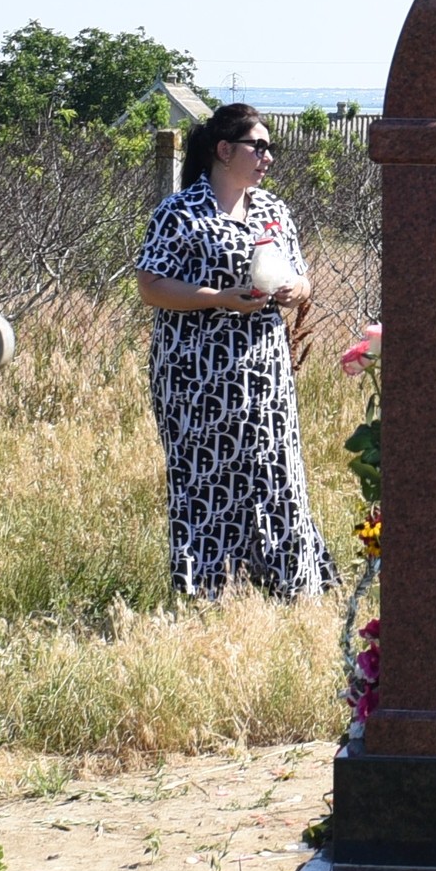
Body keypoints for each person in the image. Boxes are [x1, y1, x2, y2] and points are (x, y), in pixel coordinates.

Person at [134, 104, 339, 599]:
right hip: (195, 371)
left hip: (263, 367)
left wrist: (296, 290)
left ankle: (288, 584)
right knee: (206, 474)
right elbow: (151, 286)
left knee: (272, 467)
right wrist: (221, 299)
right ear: (224, 151)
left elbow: (303, 276)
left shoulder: (274, 210)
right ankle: (209, 588)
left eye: (270, 148)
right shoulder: (180, 213)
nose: (267, 156)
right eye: (258, 146)